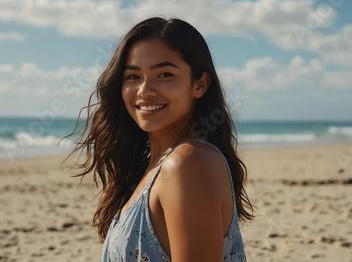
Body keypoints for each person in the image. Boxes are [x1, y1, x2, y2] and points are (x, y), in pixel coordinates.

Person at [67, 17, 253, 262]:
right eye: (133, 77)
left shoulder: (189, 163)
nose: (145, 90)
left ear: (200, 84)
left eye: (164, 74)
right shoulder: (157, 164)